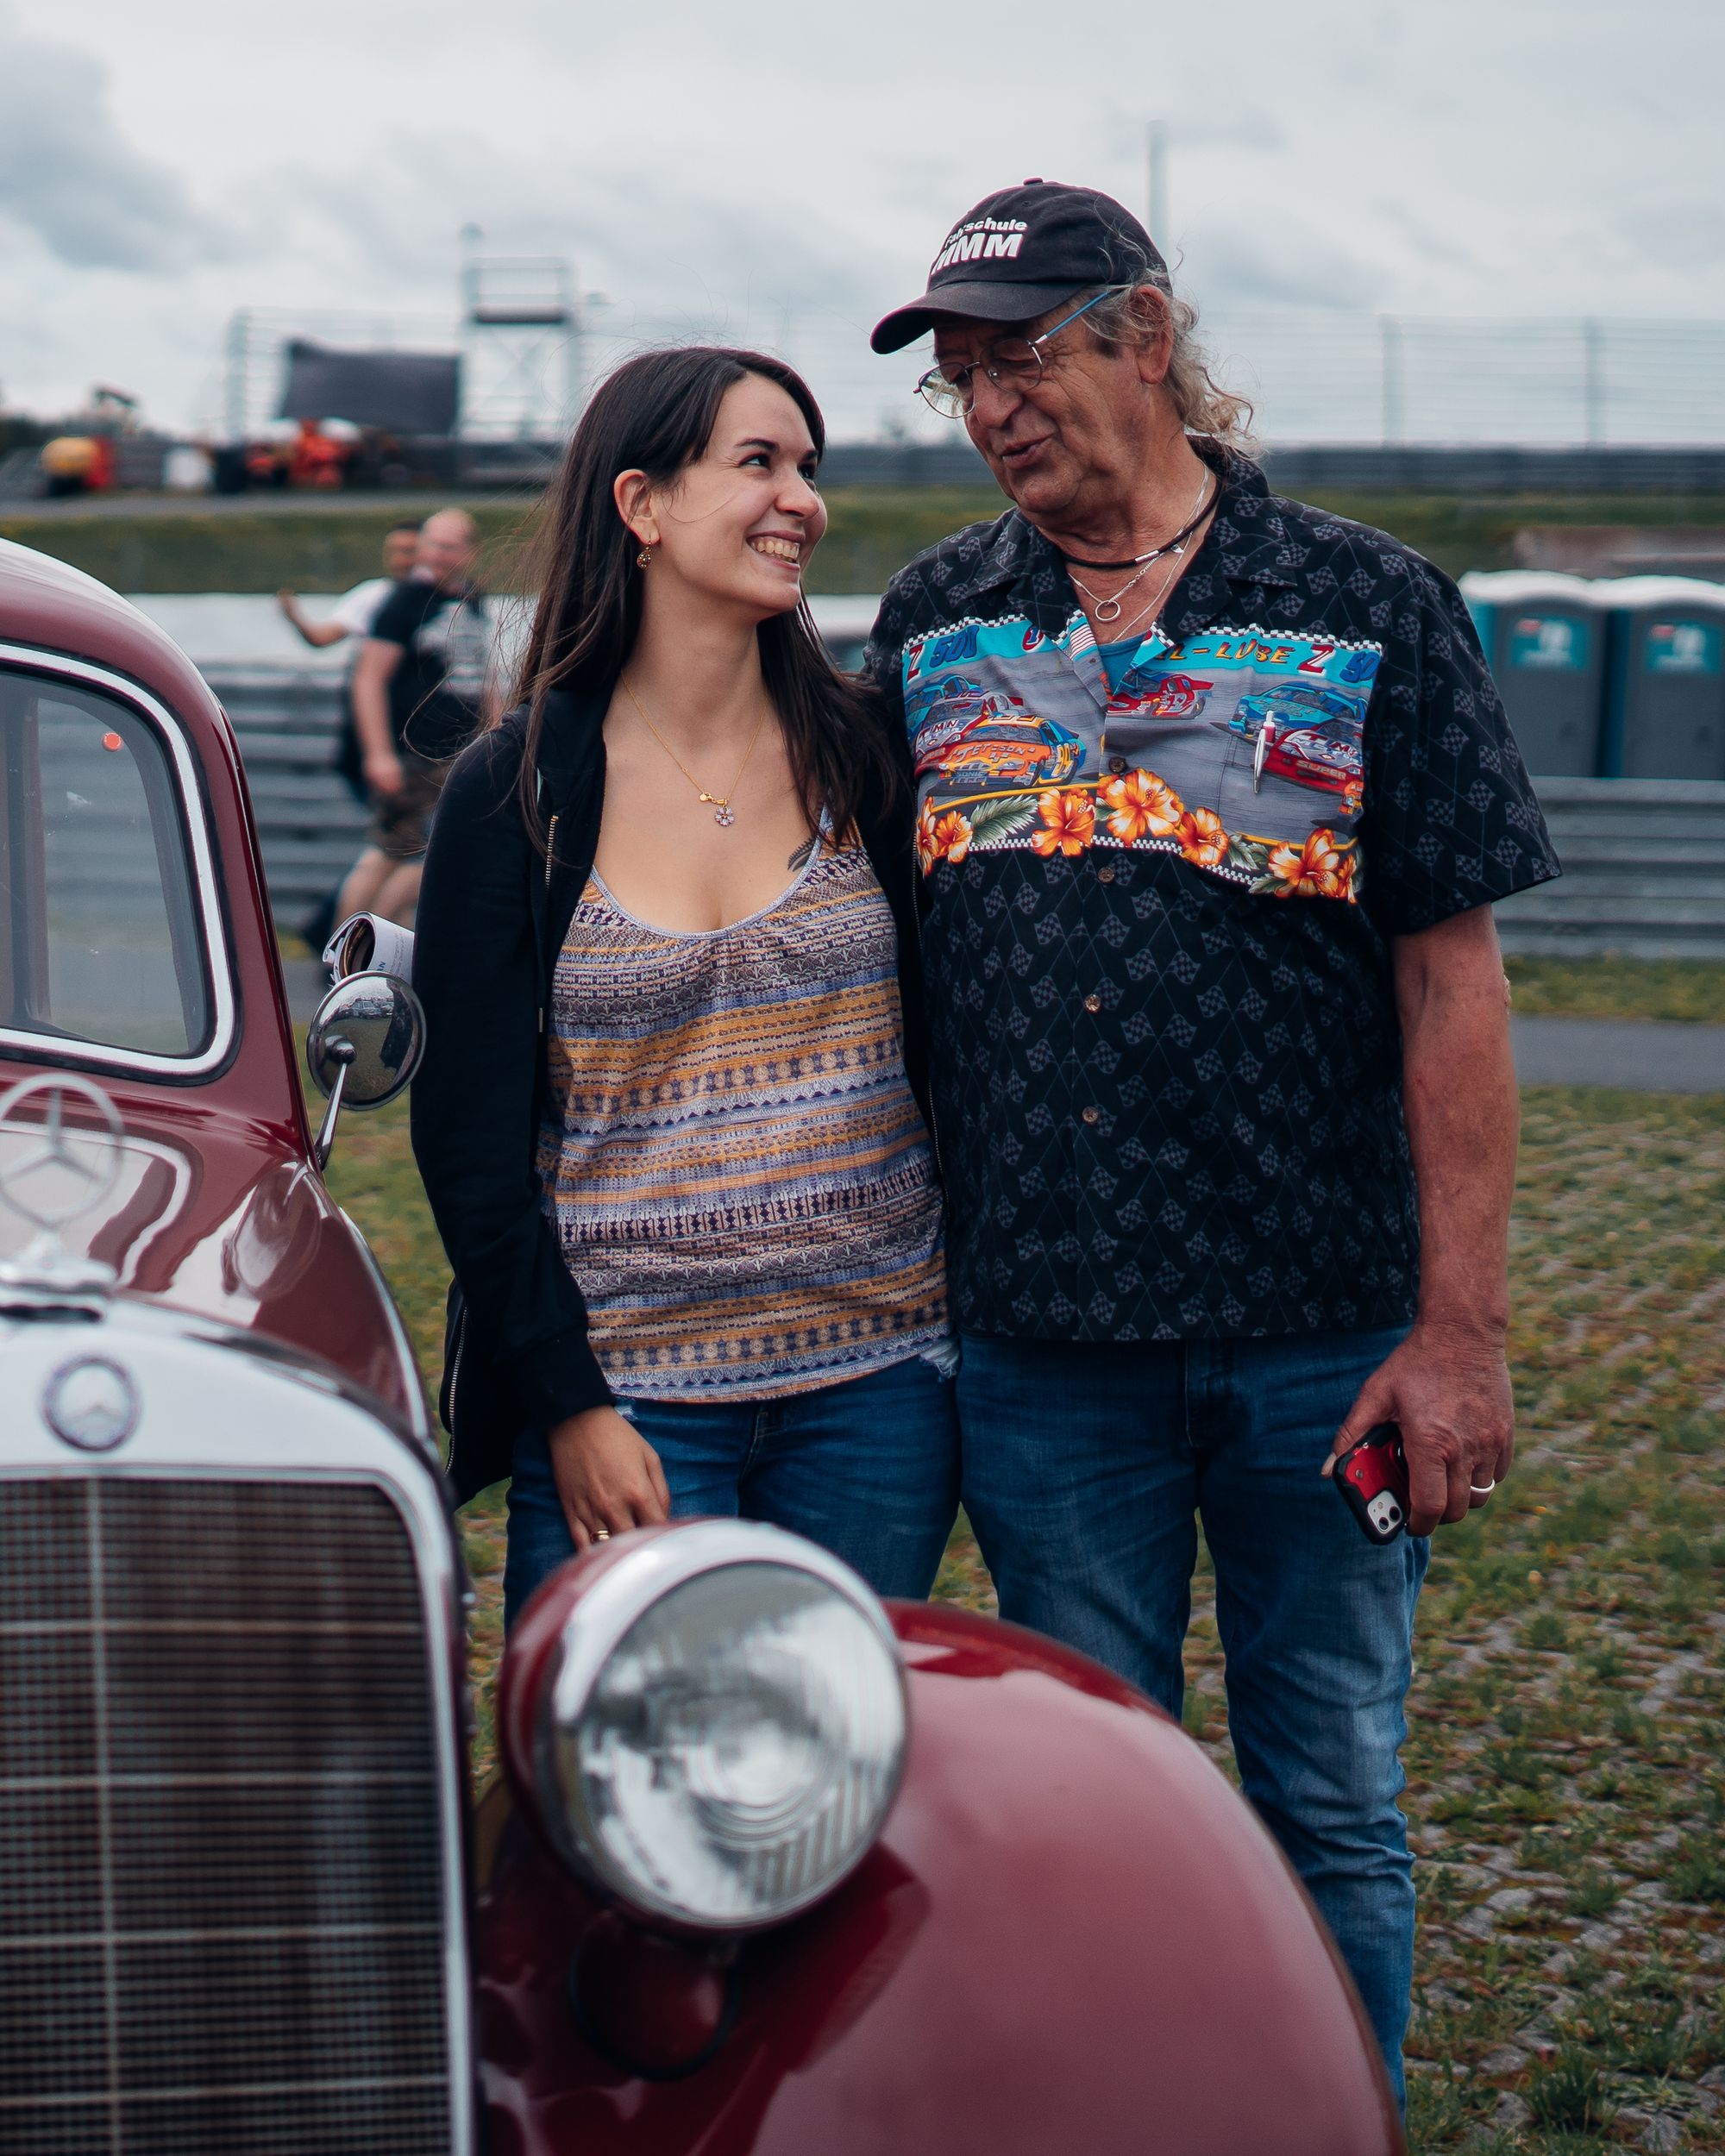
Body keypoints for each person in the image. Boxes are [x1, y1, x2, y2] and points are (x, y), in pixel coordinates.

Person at [864, 179, 1560, 2103]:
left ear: (1146, 339)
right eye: (961, 379)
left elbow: (1453, 986)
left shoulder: (1362, 603)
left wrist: (1461, 1329)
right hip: (1038, 1345)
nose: (993, 407)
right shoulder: (931, 624)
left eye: (1024, 357)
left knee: (1325, 1787)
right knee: (1092, 1796)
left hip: (1320, 1339)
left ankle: (1321, 2116)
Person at [409, 348, 958, 1631]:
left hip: (878, 1397)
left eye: (810, 469)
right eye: (758, 463)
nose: (802, 501)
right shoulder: (516, 791)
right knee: (604, 1804)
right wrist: (574, 1406)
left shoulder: (875, 752)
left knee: (827, 1790)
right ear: (642, 505)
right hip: (630, 1405)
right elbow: (468, 1144)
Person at [338, 508, 492, 927]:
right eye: (432, 544)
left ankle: (371, 948)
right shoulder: (405, 602)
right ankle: (355, 952)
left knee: (424, 854)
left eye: (449, 546)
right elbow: (368, 678)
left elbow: (484, 677)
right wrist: (378, 753)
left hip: (457, 750)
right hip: (413, 751)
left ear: (470, 552)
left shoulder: (471, 600)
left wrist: (497, 738)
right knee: (400, 853)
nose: (437, 554)